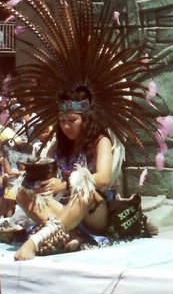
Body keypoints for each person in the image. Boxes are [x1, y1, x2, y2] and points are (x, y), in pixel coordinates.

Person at [14, 86, 117, 261]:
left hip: (94, 210)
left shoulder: (101, 141)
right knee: (23, 194)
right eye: (62, 121)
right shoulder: (59, 146)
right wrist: (36, 181)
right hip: (66, 209)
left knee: (85, 191)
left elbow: (103, 178)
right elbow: (46, 173)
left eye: (72, 120)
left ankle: (36, 241)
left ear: (86, 119)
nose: (66, 126)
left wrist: (65, 184)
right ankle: (71, 234)